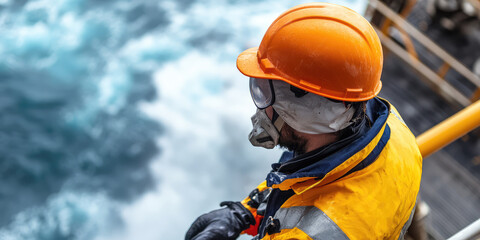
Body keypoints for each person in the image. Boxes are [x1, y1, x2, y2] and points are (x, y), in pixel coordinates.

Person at [185, 3, 422, 240]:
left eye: (264, 92)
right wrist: (247, 212)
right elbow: (302, 184)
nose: (261, 108)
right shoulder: (393, 127)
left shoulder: (312, 234)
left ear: (306, 110)